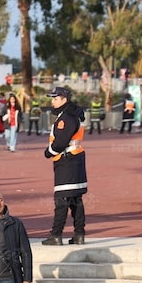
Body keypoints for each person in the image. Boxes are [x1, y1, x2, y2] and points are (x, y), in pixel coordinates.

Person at [42, 87, 88, 246]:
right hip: (75, 160)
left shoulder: (66, 118)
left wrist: (49, 152)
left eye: (55, 98)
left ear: (63, 99)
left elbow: (60, 142)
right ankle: (79, 234)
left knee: (61, 201)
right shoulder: (73, 114)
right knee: (76, 200)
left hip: (67, 161)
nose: (52, 101)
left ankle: (56, 235)